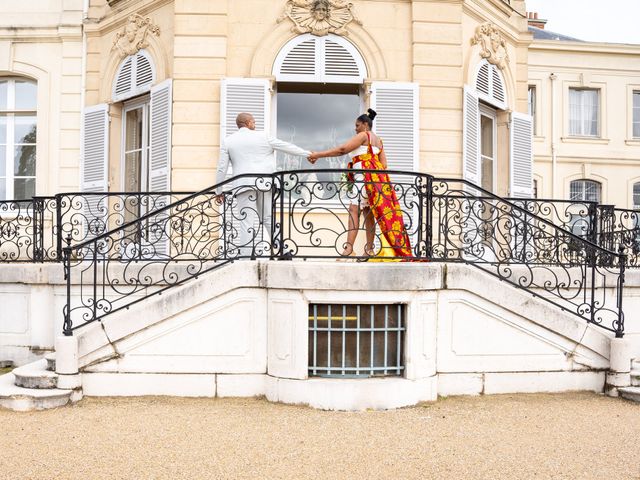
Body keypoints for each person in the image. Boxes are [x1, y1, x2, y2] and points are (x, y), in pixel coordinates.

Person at [307, 109, 412, 259]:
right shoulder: (379, 140)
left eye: (357, 125)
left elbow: (342, 150)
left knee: (353, 211)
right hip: (376, 182)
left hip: (363, 178)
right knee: (369, 214)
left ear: (365, 124)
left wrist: (318, 154)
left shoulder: (363, 135)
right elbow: (384, 164)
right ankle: (369, 250)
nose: (355, 129)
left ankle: (348, 249)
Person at [216, 112, 311, 257]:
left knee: (246, 220)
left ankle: (246, 257)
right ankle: (283, 251)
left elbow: (222, 168)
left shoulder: (228, 141)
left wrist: (218, 191)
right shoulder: (263, 136)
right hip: (264, 183)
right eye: (253, 121)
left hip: (243, 184)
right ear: (248, 122)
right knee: (267, 217)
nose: (255, 124)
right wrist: (308, 154)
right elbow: (286, 146)